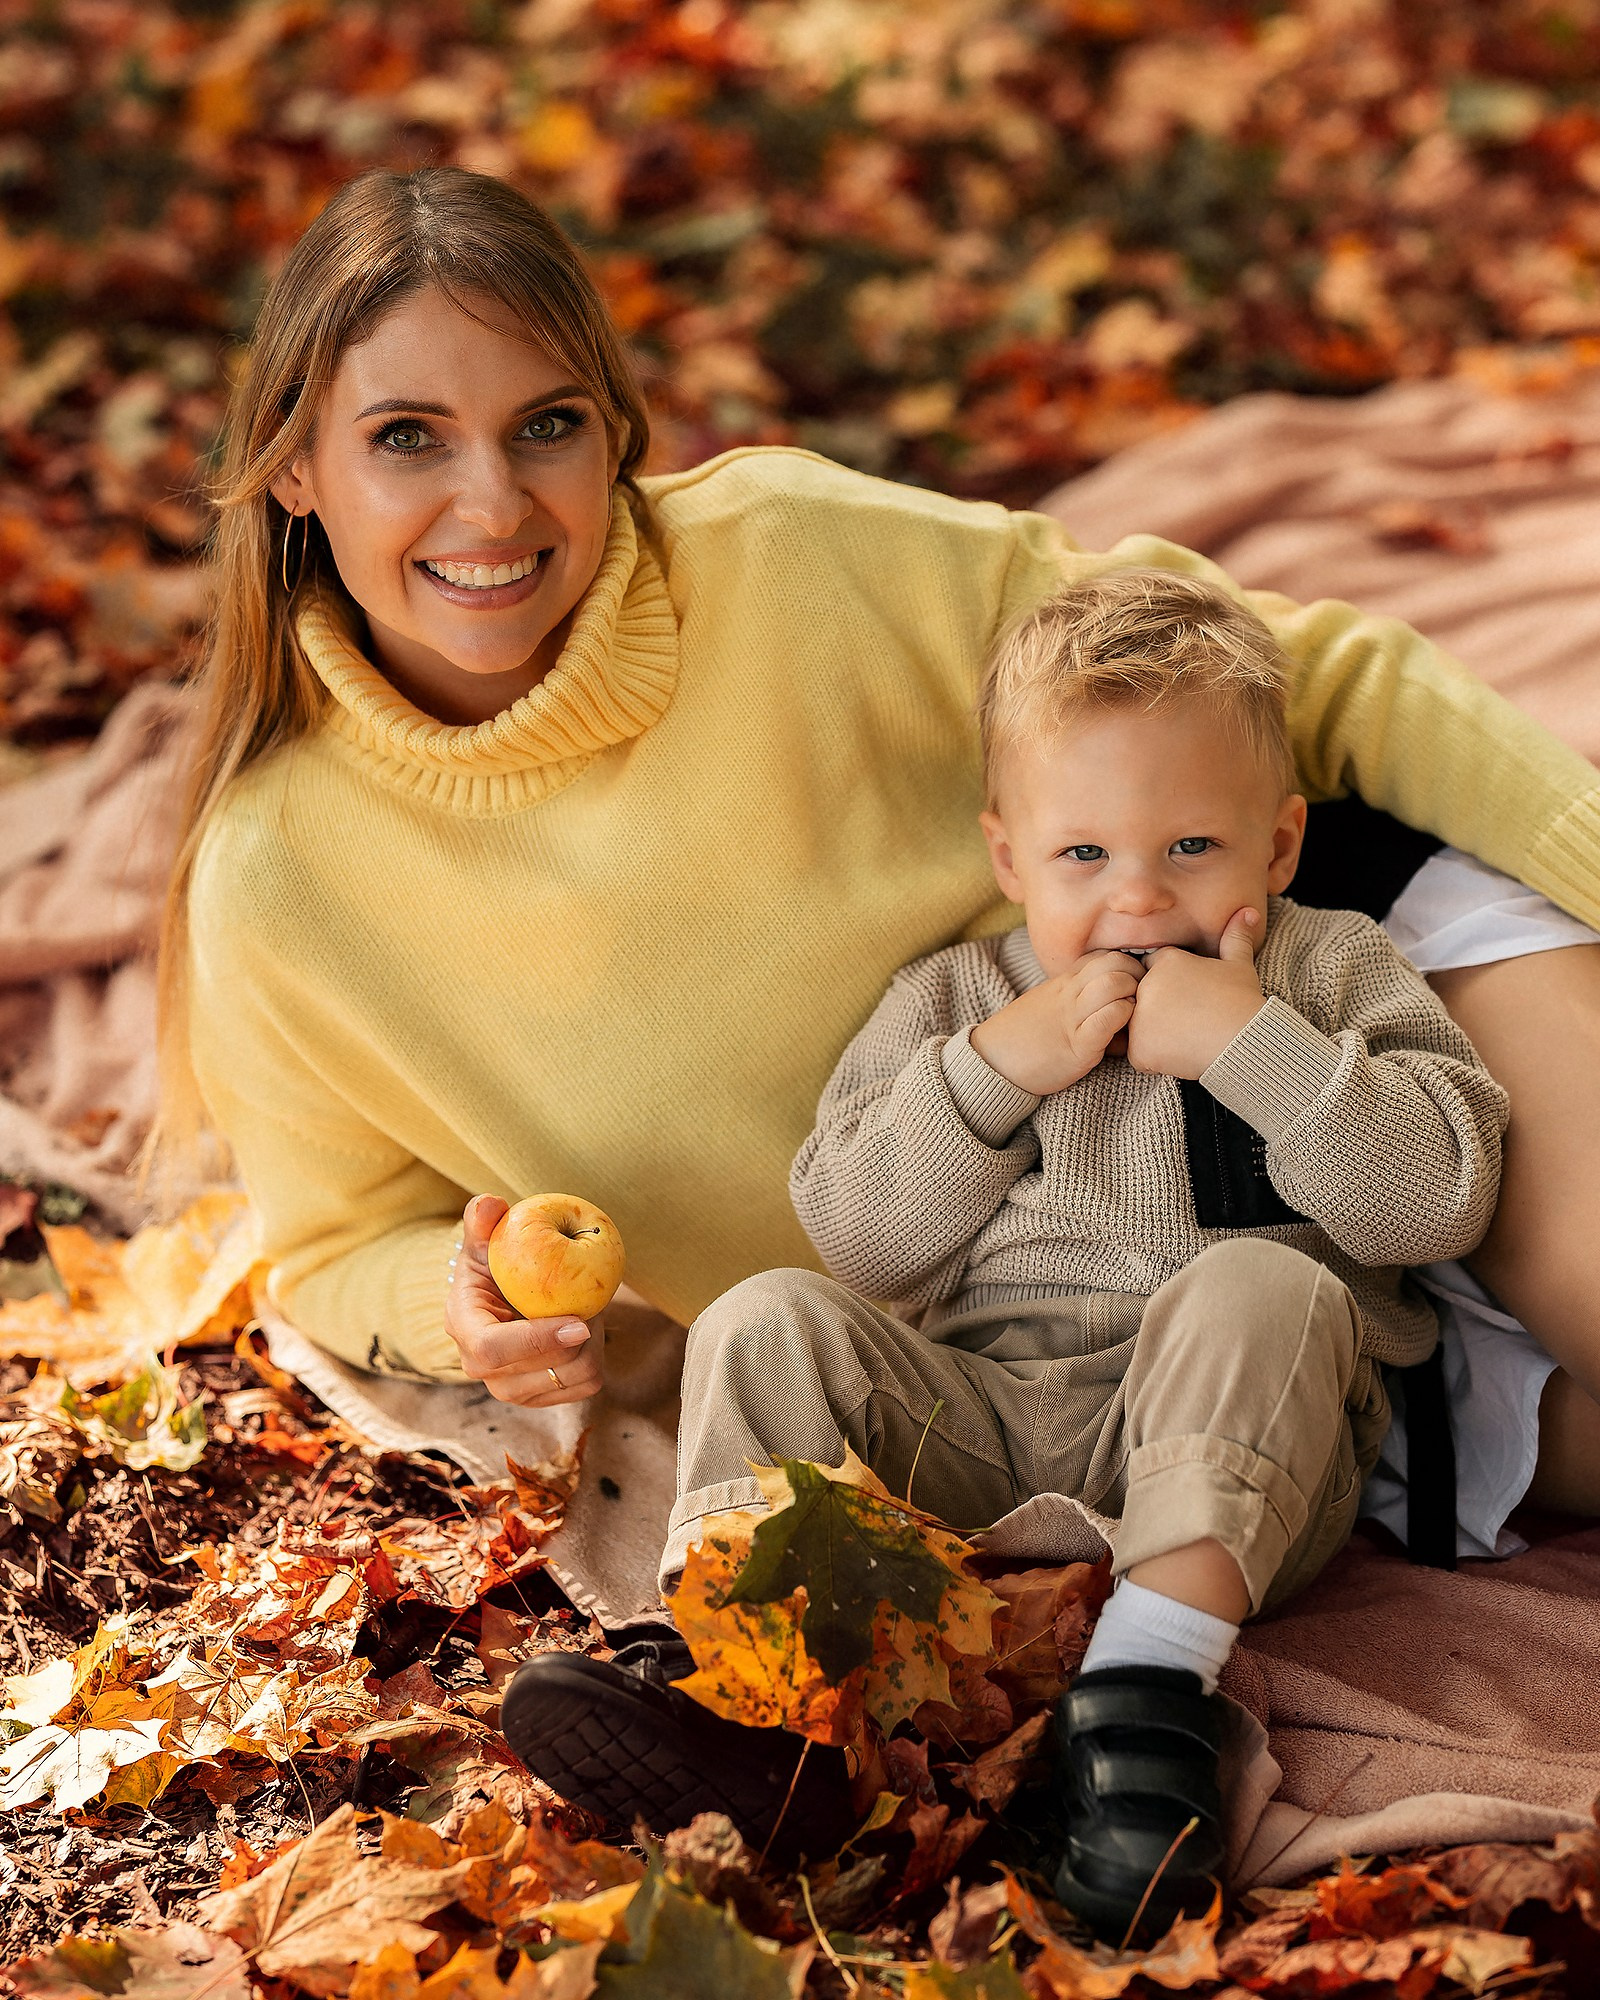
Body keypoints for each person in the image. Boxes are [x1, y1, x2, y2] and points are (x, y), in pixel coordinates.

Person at [159, 168, 1600, 1569]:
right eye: (407, 437)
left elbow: (1312, 673)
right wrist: (458, 1303)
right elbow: (335, 1245)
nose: (491, 506)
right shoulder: (276, 882)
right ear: (292, 465)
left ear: (614, 436)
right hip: (1050, 1343)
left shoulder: (792, 558)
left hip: (1324, 988)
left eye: (547, 425)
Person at [501, 568, 1509, 1935]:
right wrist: (989, 1073)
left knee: (1267, 1282)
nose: (1138, 901)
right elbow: (857, 1235)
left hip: (1232, 1465)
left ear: (1279, 848)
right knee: (765, 1316)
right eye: (1084, 857)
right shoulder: (957, 1000)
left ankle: (1147, 1710)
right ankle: (747, 1700)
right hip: (976, 1433)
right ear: (1008, 859)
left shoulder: (1330, 972)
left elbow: (1441, 1197)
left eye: (1192, 851)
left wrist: (1250, 1046)